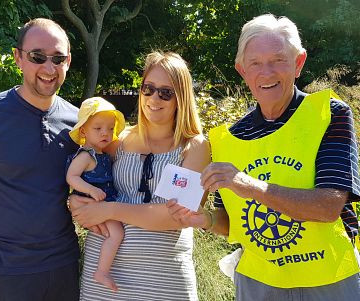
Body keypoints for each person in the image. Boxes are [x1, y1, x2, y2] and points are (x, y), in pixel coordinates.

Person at [167, 14, 360, 301]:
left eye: (278, 60)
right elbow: (232, 223)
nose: (266, 73)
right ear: (241, 70)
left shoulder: (329, 114)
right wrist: (203, 218)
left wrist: (249, 185)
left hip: (329, 280)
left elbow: (328, 207)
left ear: (298, 63)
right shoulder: (226, 138)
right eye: (255, 63)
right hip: (259, 285)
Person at [70, 51, 211, 300]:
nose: (154, 98)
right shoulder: (117, 142)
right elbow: (88, 179)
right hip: (104, 277)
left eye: (165, 92)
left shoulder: (195, 146)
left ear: (181, 97)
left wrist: (111, 210)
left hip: (163, 280)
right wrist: (76, 201)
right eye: (148, 88)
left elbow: (177, 216)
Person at [0, 18, 80, 301]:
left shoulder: (79, 123)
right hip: (6, 275)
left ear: (68, 62)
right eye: (38, 57)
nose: (49, 68)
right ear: (18, 58)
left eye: (58, 58)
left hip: (65, 270)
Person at [66, 97, 125, 292]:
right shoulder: (86, 155)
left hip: (103, 203)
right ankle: (102, 272)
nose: (105, 133)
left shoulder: (102, 154)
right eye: (98, 128)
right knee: (116, 233)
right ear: (83, 131)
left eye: (110, 128)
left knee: (112, 233)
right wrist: (90, 190)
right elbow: (71, 177)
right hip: (95, 203)